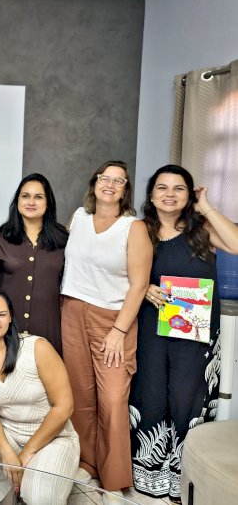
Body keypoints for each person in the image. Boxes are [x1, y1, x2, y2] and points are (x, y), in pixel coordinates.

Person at [129, 165, 238, 503]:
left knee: (186, 399)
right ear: (151, 195)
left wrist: (206, 207)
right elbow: (121, 273)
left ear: (189, 195)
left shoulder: (201, 228)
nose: (170, 194)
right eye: (162, 187)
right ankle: (149, 476)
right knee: (150, 395)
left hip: (195, 334)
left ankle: (183, 479)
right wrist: (145, 288)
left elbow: (236, 244)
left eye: (179, 188)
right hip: (151, 328)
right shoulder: (139, 231)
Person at [60, 160, 152, 500]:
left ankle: (114, 480)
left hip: (113, 319)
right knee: (80, 396)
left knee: (113, 399)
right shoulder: (78, 218)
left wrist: (118, 331)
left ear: (125, 189)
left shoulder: (134, 228)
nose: (110, 184)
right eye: (105, 178)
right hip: (71, 311)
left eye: (118, 180)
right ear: (95, 182)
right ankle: (87, 463)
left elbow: (139, 284)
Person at [0, 286, 79, 505]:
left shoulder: (38, 348)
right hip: (9, 432)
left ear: (10, 317)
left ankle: (31, 486)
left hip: (54, 437)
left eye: (1, 314)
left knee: (39, 496)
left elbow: (64, 407)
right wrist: (6, 451)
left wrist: (27, 452)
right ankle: (10, 494)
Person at [0, 173, 68, 355]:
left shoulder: (64, 239)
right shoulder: (0, 236)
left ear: (48, 202)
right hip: (7, 331)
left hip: (49, 330)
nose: (31, 202)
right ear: (17, 201)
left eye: (38, 197)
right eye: (25, 196)